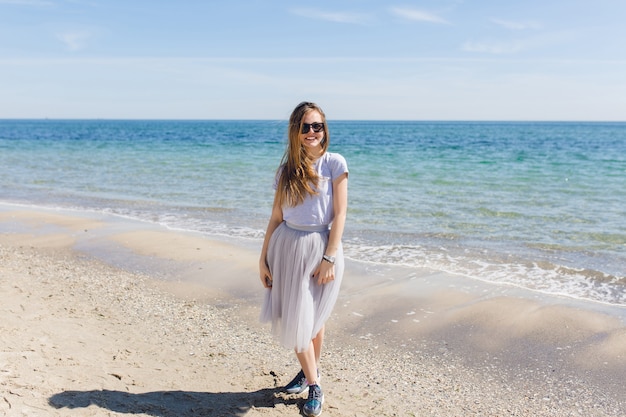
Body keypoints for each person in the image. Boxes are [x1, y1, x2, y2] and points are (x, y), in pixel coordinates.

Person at [259, 101, 348, 416]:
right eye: (306, 127)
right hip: (286, 247)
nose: (312, 132)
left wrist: (329, 257)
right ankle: (315, 385)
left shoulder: (334, 163)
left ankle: (309, 375)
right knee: (296, 321)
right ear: (295, 132)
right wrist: (262, 258)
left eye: (318, 126)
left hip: (321, 248)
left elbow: (340, 216)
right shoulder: (286, 171)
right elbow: (275, 218)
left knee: (313, 321)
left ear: (325, 130)